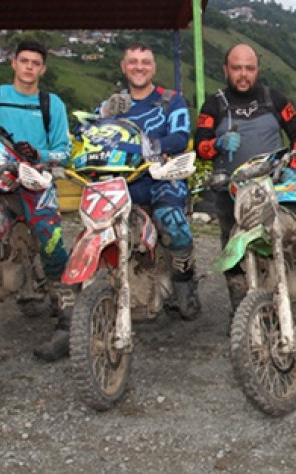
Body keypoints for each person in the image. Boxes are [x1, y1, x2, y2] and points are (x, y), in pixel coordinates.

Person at [194, 43, 296, 315]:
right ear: (226, 70)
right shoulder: (214, 104)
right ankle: (239, 307)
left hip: (275, 181)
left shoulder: (275, 99)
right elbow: (200, 147)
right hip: (231, 187)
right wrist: (218, 145)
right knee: (232, 241)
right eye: (236, 68)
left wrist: (294, 164)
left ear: (257, 70)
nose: (243, 74)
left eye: (249, 68)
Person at [0, 40, 74, 362]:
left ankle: (66, 306)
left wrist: (38, 155)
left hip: (35, 181)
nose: (29, 67)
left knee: (50, 237)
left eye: (35, 62)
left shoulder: (52, 104)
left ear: (43, 68)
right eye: (23, 61)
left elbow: (63, 152)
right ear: (13, 63)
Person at [99, 42, 200, 321]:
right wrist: (106, 113)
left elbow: (180, 137)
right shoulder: (113, 104)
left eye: (145, 61)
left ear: (153, 68)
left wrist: (146, 146)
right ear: (123, 66)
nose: (139, 66)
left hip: (161, 178)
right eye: (133, 61)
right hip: (121, 181)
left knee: (173, 222)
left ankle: (184, 279)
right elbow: (89, 134)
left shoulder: (170, 100)